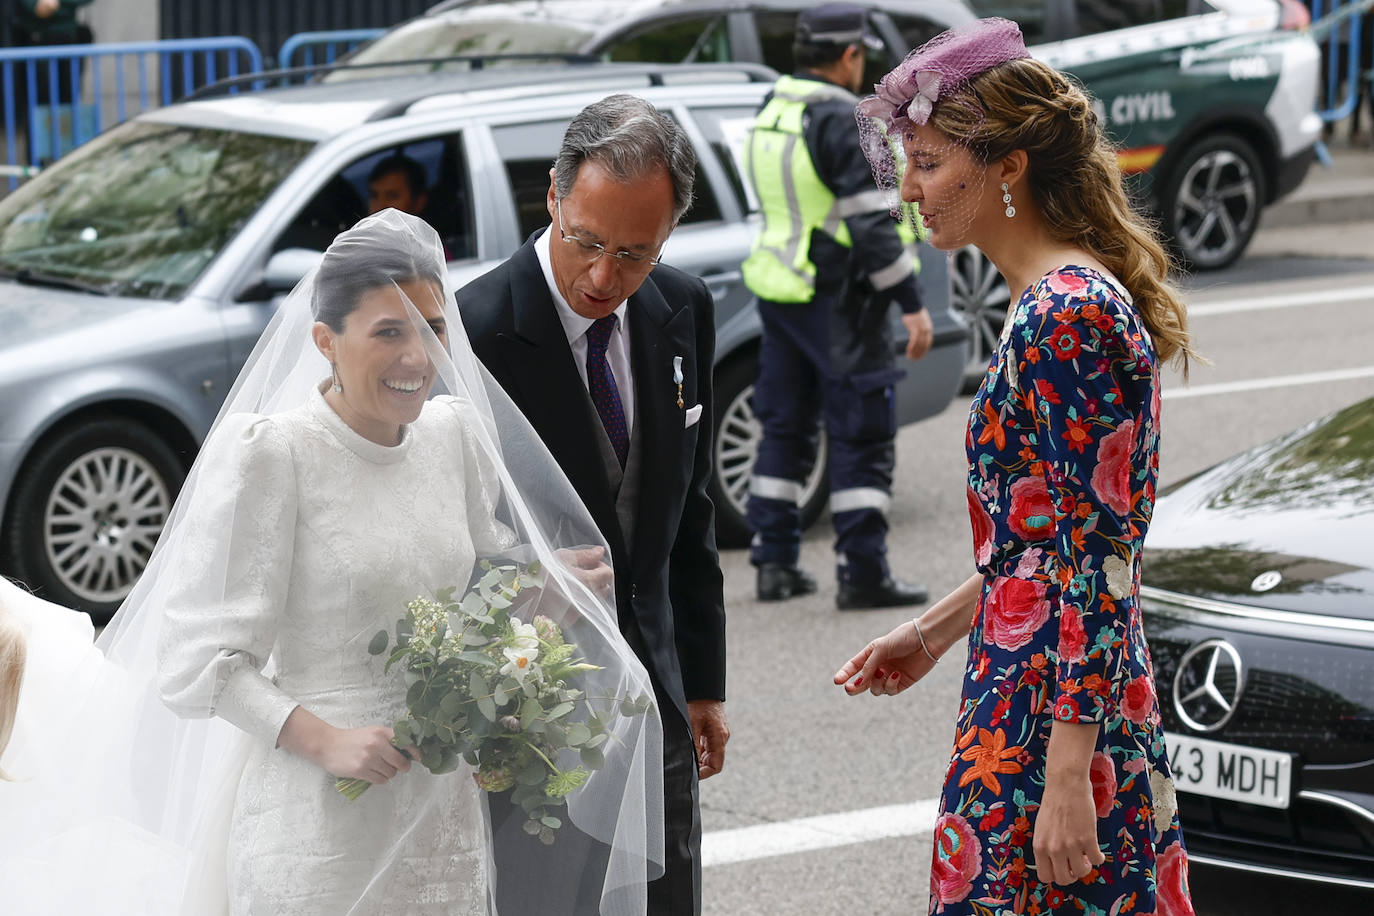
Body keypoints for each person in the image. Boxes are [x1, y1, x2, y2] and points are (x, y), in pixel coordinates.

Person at [0, 210, 663, 916]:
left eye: (433, 329)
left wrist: (545, 599)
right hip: (315, 821)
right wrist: (326, 741)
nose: (418, 356)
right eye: (388, 332)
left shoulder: (454, 437)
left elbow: (474, 601)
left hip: (439, 817)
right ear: (325, 341)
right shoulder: (274, 455)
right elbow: (195, 661)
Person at [834, 18, 1198, 916]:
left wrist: (1071, 772)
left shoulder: (1066, 313)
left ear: (1008, 166)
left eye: (928, 162)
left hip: (1053, 708)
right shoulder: (1046, 300)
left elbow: (1103, 555)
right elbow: (1045, 537)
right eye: (909, 162)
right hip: (1034, 682)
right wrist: (934, 631)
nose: (910, 191)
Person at [460, 93, 729, 916]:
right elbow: (442, 542)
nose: (605, 277)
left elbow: (691, 508)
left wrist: (704, 681)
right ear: (553, 195)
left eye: (636, 253)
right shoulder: (472, 331)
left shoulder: (684, 307)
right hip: (531, 721)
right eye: (587, 242)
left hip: (656, 701)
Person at [741, 3, 934, 610]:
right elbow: (877, 223)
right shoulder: (848, 122)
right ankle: (864, 573)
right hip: (841, 302)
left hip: (781, 293)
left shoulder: (771, 109)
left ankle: (773, 563)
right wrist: (911, 301)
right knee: (862, 435)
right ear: (850, 56)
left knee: (785, 426)